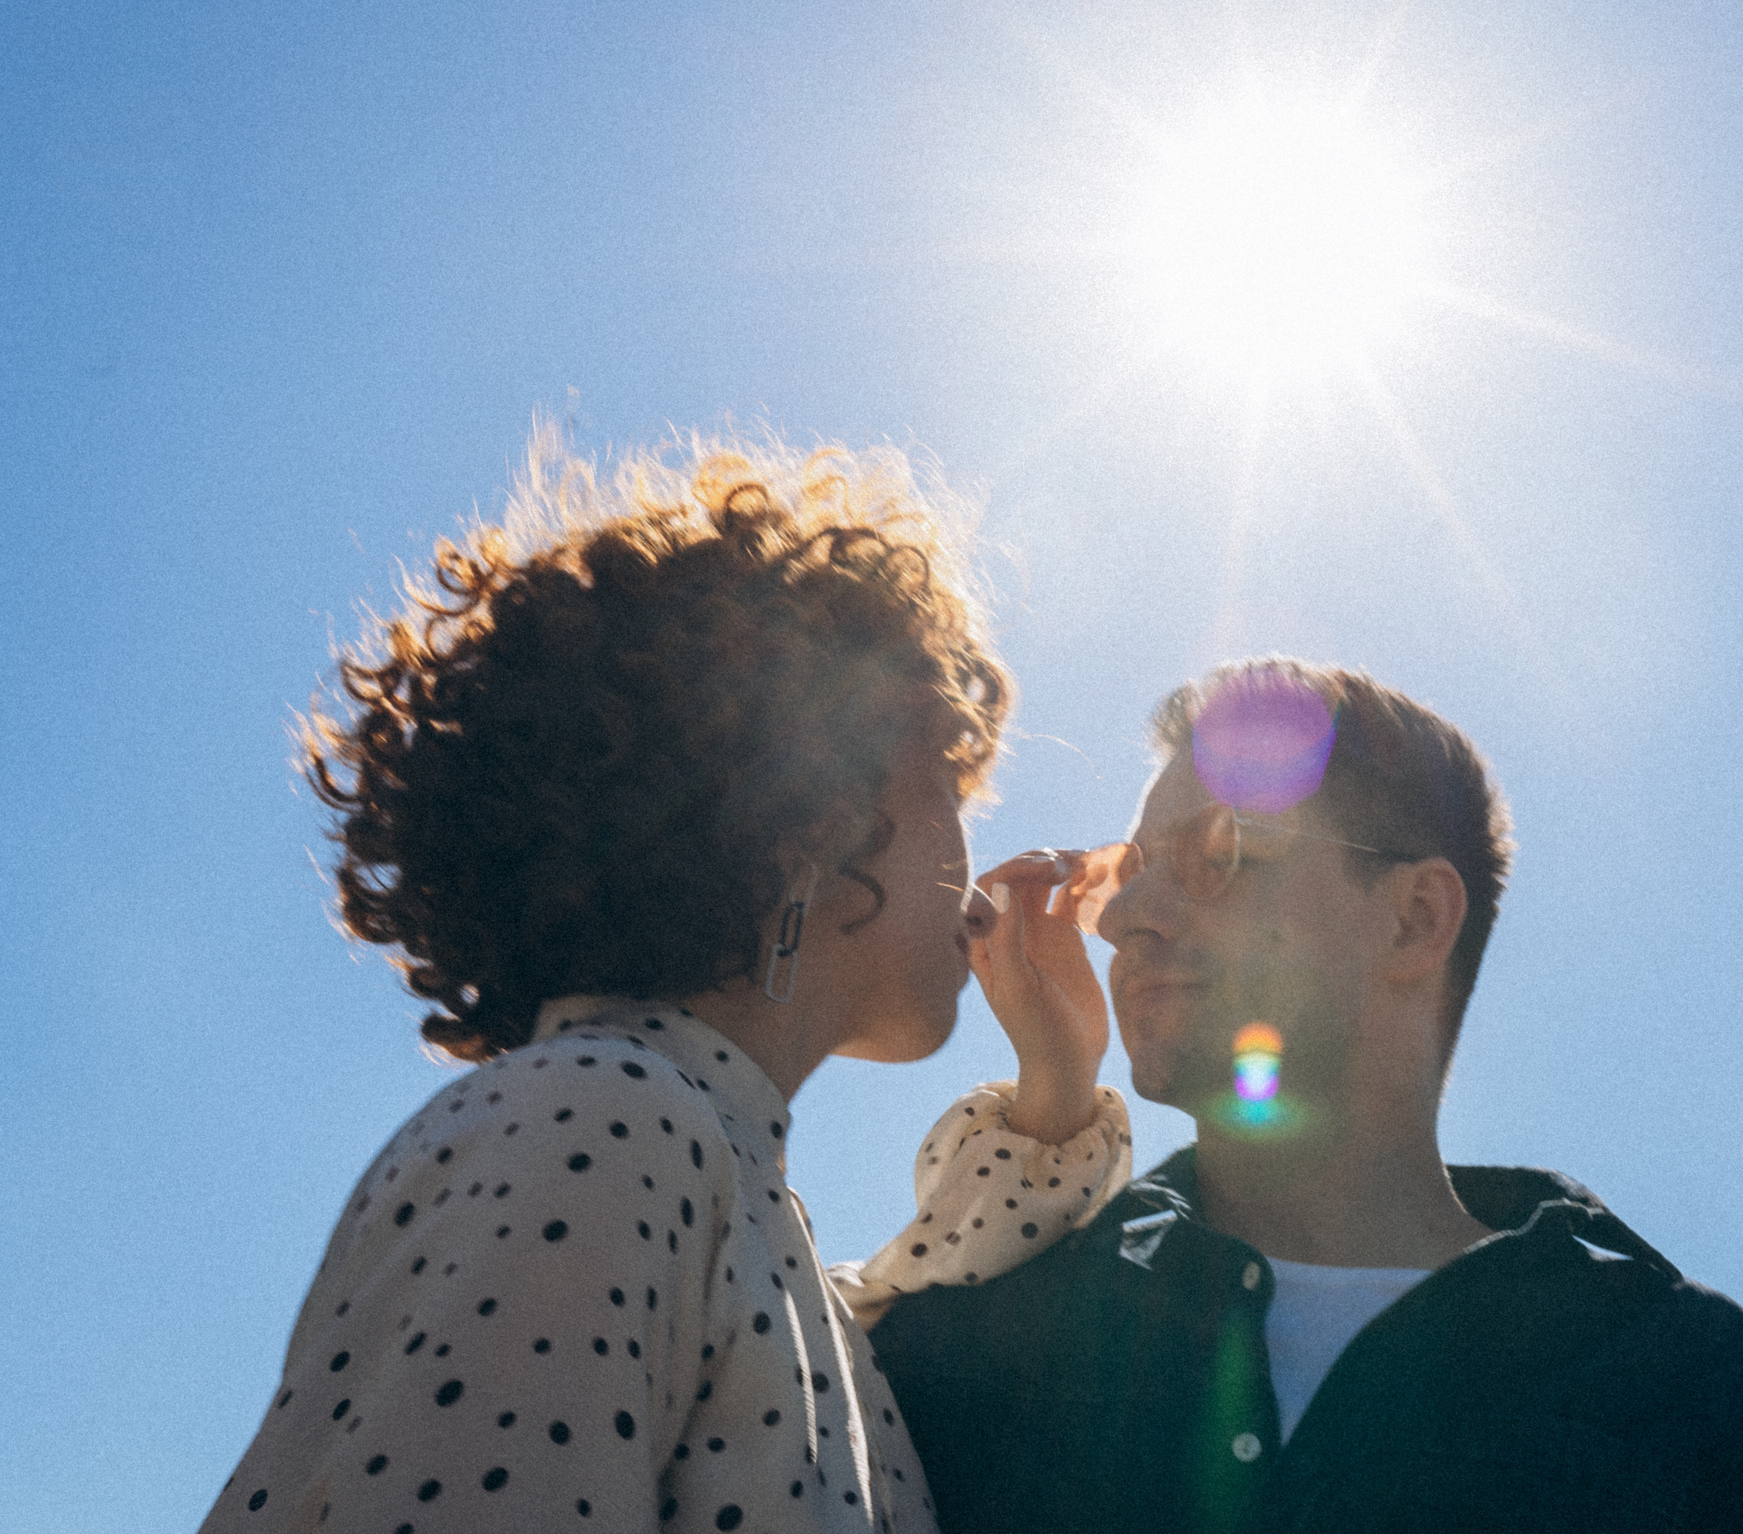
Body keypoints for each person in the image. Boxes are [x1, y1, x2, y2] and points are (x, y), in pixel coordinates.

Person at [200, 436, 1127, 1534]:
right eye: (946, 786)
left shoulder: (704, 1170)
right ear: (808, 817)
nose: (971, 864)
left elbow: (910, 1311)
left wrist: (1055, 1096)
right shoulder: (601, 1123)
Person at [866, 658, 1743, 1534]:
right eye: (1125, 874)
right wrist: (1049, 1096)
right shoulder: (981, 1353)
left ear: (1412, 920)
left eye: (1218, 854)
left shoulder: (1690, 1397)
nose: (1126, 914)